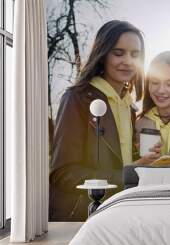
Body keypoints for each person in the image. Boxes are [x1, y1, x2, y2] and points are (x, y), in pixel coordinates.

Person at [50, 20, 161, 222]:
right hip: (84, 217)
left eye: (135, 55)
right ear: (103, 54)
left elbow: (117, 160)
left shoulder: (128, 106)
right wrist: (129, 173)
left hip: (120, 211)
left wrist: (144, 157)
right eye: (118, 53)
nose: (128, 61)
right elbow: (63, 174)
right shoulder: (77, 99)